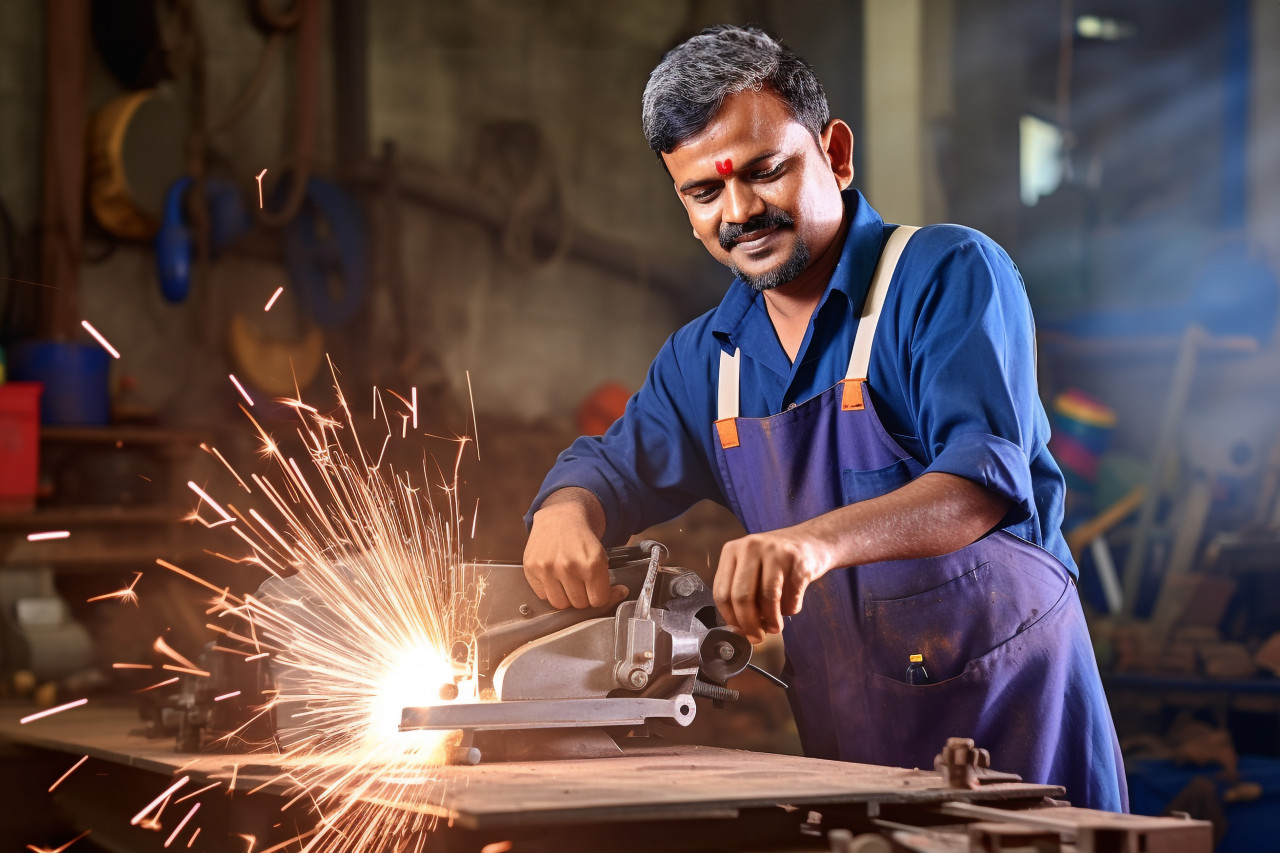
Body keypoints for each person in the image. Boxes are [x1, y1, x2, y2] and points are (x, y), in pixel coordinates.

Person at [522, 25, 1127, 812]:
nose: (739, 211)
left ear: (835, 154)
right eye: (705, 193)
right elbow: (607, 466)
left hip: (1024, 751)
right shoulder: (711, 359)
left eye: (766, 172)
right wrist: (566, 509)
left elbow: (982, 482)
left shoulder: (943, 277)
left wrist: (810, 543)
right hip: (853, 771)